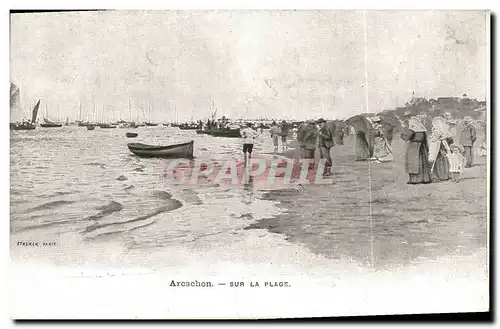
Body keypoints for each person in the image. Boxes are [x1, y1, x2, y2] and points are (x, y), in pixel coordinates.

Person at [400, 117, 432, 184]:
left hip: (413, 148)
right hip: (422, 148)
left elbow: (406, 138)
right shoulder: (423, 130)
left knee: (413, 163)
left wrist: (402, 133)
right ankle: (425, 179)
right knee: (423, 163)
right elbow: (425, 141)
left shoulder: (412, 130)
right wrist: (427, 149)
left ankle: (415, 180)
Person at [428, 116, 452, 181]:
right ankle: (445, 175)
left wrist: (432, 138)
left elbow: (435, 138)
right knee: (443, 159)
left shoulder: (437, 130)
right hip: (441, 145)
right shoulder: (442, 130)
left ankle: (440, 175)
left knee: (438, 159)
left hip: (438, 146)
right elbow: (446, 136)